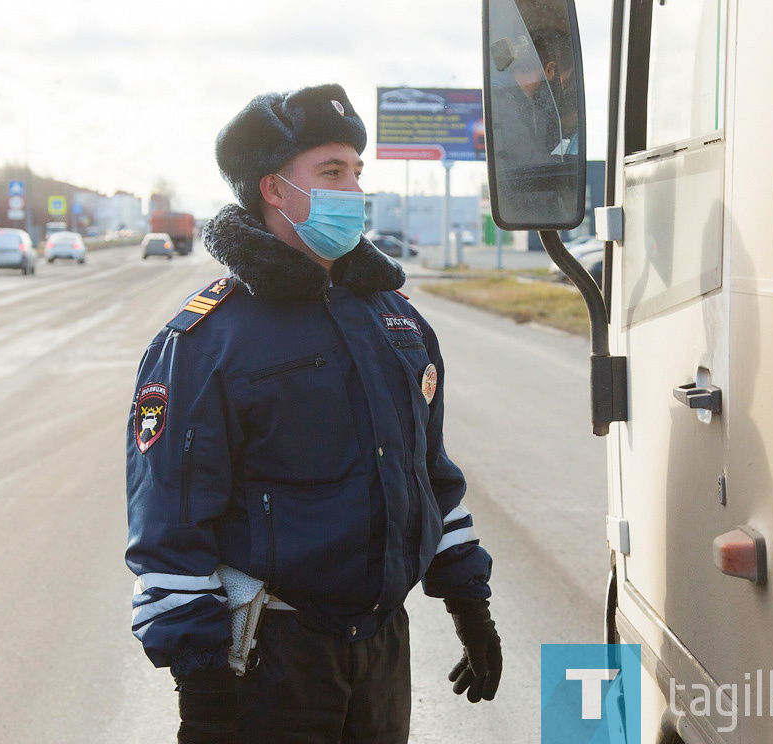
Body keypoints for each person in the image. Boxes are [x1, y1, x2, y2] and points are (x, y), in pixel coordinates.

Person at [125, 83, 503, 744]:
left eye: (357, 172)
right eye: (331, 172)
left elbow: (429, 479)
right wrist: (204, 693)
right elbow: (171, 524)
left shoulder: (395, 323)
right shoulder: (207, 341)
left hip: (382, 649)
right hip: (276, 661)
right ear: (273, 189)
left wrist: (471, 604)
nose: (352, 189)